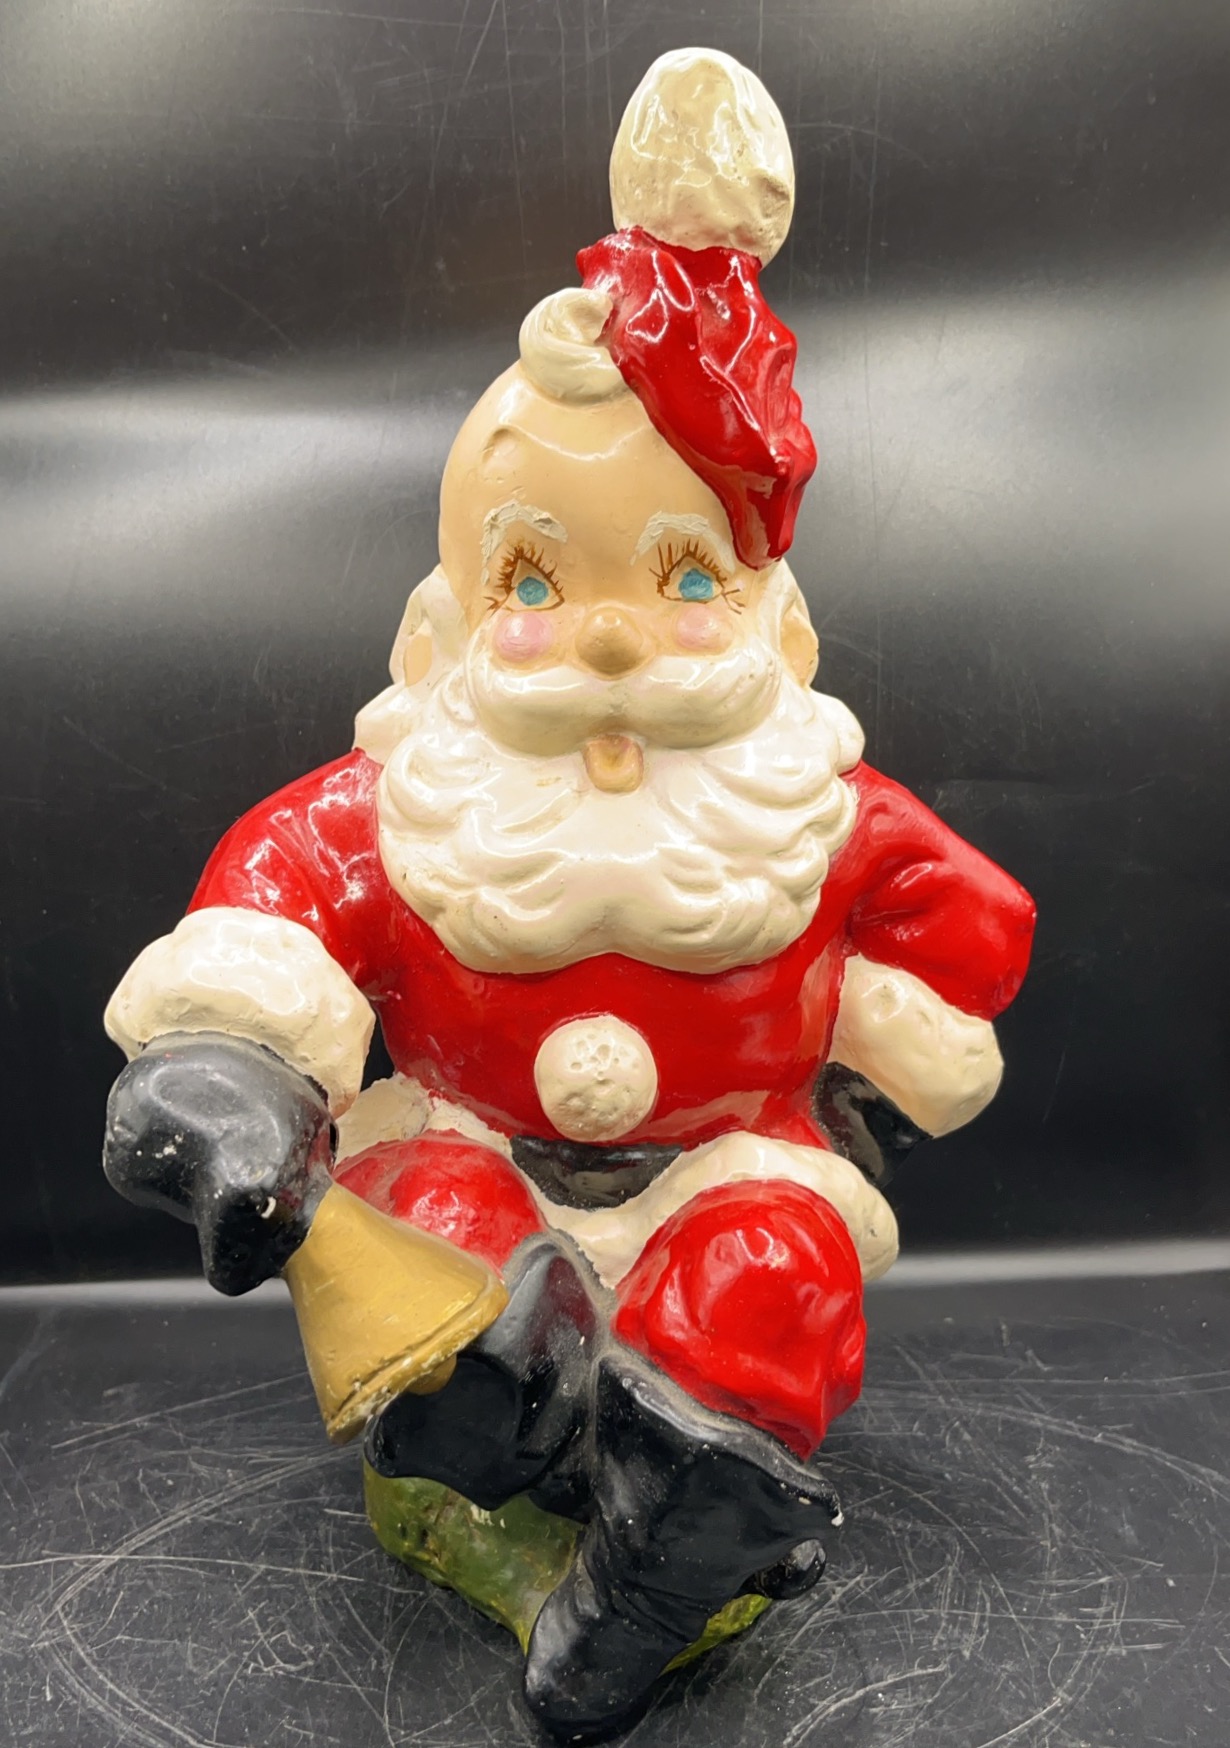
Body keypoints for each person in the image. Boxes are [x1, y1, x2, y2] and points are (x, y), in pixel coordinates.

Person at [102, 48, 1034, 1739]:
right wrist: (228, 1071)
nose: (608, 637)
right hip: (474, 1154)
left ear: (770, 621)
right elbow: (270, 919)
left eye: (683, 580)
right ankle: (532, 1472)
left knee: (764, 1268)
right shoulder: (404, 807)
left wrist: (896, 1043)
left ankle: (670, 1540)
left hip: (717, 1167)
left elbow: (963, 929)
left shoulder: (809, 811)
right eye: (534, 580)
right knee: (439, 1256)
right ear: (447, 622)